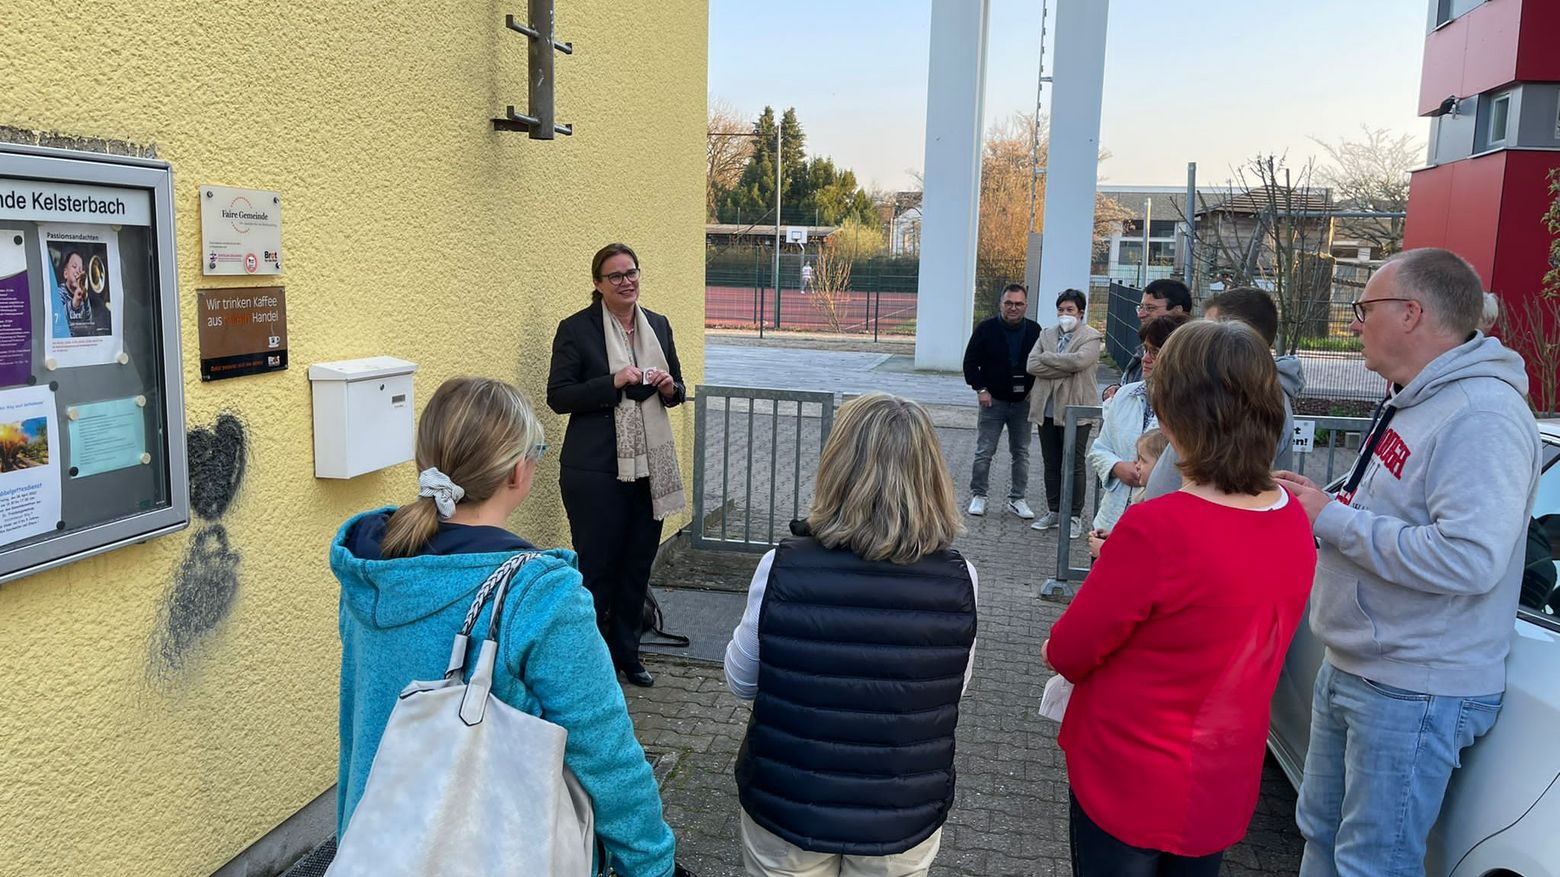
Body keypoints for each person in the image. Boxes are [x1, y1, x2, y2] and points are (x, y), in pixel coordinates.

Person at [329, 377, 684, 877]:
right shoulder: (541, 595)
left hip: (378, 847)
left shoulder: (373, 566)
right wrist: (652, 863)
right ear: (520, 470)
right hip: (497, 852)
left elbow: (357, 720)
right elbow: (607, 757)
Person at [1274, 248, 1542, 877]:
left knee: (1373, 862)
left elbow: (1469, 558)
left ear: (1412, 314)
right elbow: (1389, 504)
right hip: (1365, 666)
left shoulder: (1482, 416)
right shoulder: (1418, 398)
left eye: (1365, 308)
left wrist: (1331, 519)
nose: (1356, 322)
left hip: (1414, 685)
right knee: (1321, 831)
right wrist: (1326, 501)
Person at [1043, 319, 1318, 877]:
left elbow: (1069, 650)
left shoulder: (1157, 529)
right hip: (1220, 775)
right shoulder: (1293, 516)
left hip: (1128, 774)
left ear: (1169, 417)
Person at [723, 392, 976, 877]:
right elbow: (950, 688)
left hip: (790, 804)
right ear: (931, 475)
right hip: (900, 812)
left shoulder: (781, 566)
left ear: (836, 466)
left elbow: (741, 681)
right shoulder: (962, 579)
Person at [548, 242, 687, 688]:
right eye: (616, 276)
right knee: (597, 569)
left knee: (637, 565)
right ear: (597, 284)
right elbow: (560, 396)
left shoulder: (658, 325)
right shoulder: (576, 329)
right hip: (595, 472)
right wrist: (613, 381)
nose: (627, 281)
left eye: (632, 272)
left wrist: (668, 387)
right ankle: (593, 661)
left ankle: (629, 653)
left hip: (652, 469)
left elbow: (679, 388)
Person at [1141, 287, 1307, 500]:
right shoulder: (1227, 388)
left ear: (1240, 335)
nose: (1203, 337)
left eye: (1212, 328)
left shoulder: (1258, 400)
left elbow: (1233, 491)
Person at [1087, 313, 1189, 538]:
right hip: (1109, 524)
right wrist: (1116, 467)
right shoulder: (1124, 395)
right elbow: (1099, 448)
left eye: (1155, 352)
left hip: (1157, 531)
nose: (1145, 358)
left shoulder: (1192, 410)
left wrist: (1152, 473)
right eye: (1145, 350)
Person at [962, 282, 1042, 518]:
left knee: (1022, 452)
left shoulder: (1035, 331)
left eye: (1018, 304)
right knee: (984, 450)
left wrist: (1034, 390)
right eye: (1009, 303)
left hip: (1022, 404)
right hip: (992, 402)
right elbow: (970, 363)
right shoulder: (986, 329)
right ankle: (979, 495)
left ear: (1026, 306)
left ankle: (1017, 499)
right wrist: (981, 389)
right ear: (1001, 304)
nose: (1013, 308)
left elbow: (1043, 364)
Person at [1027, 288, 1103, 534]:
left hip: (1075, 409)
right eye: (1061, 309)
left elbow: (1081, 362)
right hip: (1046, 409)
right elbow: (1031, 364)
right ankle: (1055, 510)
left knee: (1073, 463)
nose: (1064, 314)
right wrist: (1062, 363)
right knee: (1051, 462)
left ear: (1081, 312)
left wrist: (1047, 359)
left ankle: (1073, 515)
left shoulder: (1091, 337)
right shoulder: (1046, 334)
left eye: (1070, 310)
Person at [1102, 278, 1191, 400]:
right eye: (1141, 307)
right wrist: (1119, 391)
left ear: (1177, 311)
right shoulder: (1142, 350)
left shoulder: (1189, 357)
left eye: (1150, 308)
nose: (1141, 314)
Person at [1088, 428, 1166, 560]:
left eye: (1143, 460)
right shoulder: (1147, 501)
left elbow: (1144, 557)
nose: (1137, 465)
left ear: (1162, 465)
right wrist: (1115, 537)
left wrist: (1106, 551)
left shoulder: (1155, 509)